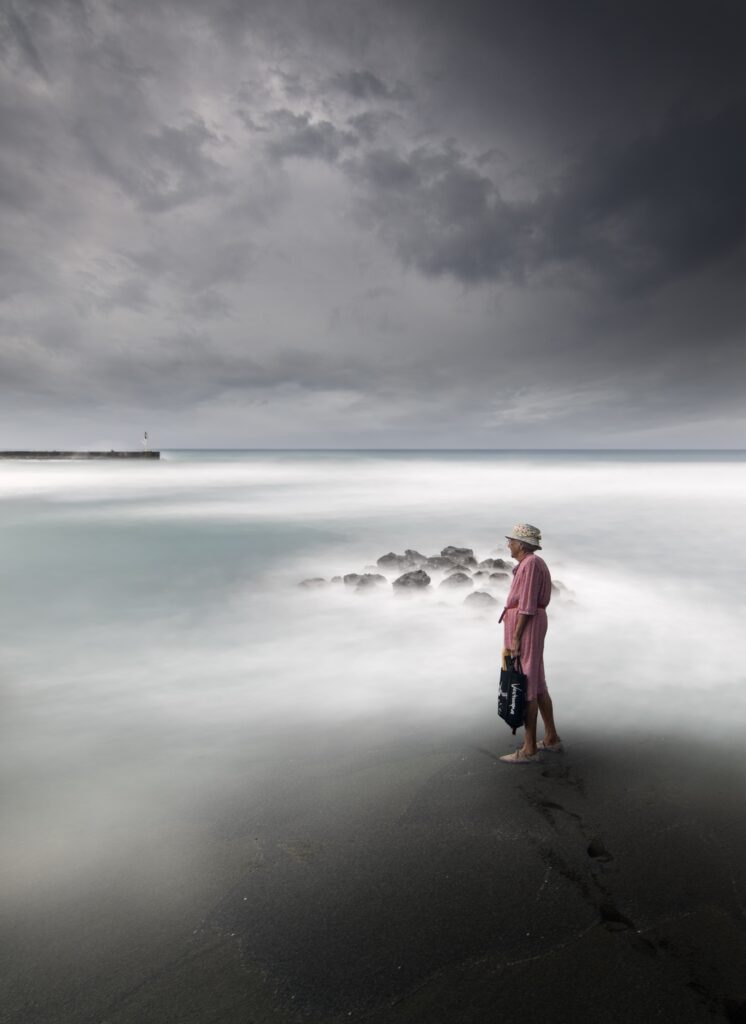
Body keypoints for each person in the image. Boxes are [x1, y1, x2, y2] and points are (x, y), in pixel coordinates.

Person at [498, 523, 561, 764]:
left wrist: (515, 637)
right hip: (528, 623)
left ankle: (529, 749)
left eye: (511, 541)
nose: (508, 544)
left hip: (528, 624)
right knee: (537, 680)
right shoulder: (527, 564)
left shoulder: (531, 564)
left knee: (526, 683)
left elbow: (526, 604)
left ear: (521, 545)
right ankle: (552, 738)